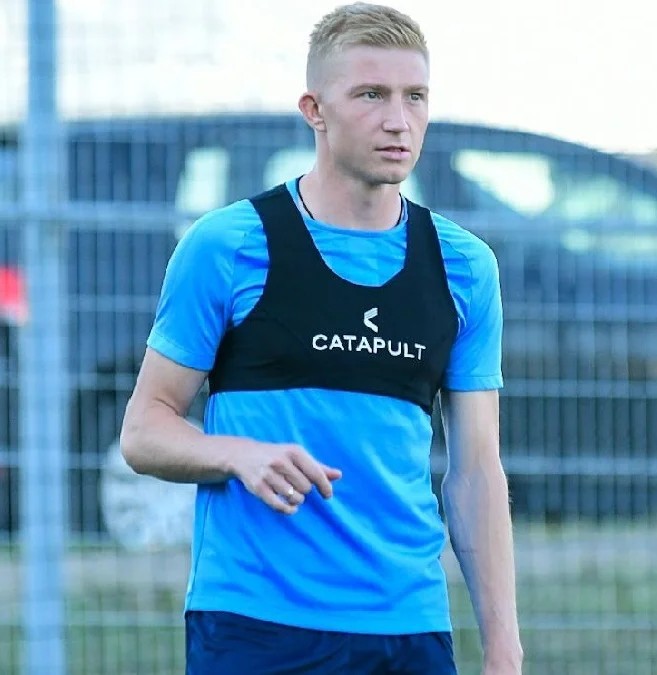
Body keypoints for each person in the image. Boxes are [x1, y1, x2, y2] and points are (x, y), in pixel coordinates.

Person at [119, 3, 522, 673]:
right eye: (370, 95)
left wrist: (504, 648)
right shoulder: (228, 245)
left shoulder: (465, 266)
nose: (398, 119)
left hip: (408, 628)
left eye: (415, 96)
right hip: (253, 625)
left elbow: (477, 470)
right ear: (315, 110)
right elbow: (143, 430)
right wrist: (238, 455)